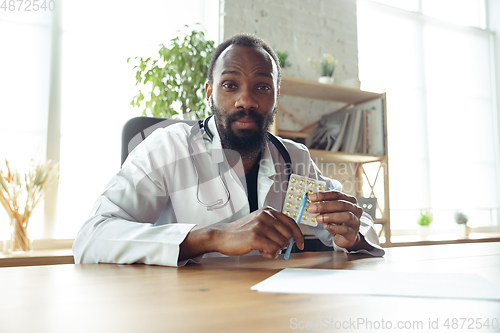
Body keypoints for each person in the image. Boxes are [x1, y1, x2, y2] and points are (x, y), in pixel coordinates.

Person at [73, 34, 384, 267]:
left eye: (262, 87)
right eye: (230, 85)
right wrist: (213, 237)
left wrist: (353, 234)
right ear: (210, 92)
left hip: (268, 310)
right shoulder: (167, 147)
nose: (245, 101)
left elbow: (358, 230)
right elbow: (91, 239)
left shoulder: (295, 158)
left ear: (276, 95)